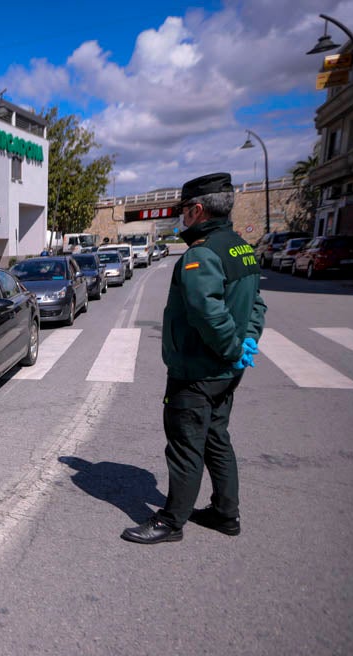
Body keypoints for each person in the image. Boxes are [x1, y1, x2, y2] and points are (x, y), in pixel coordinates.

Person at [121, 172, 266, 545]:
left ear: (198, 210)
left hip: (198, 370)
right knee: (216, 437)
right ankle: (224, 513)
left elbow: (207, 312)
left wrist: (233, 347)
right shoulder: (240, 247)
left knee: (185, 445)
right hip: (226, 370)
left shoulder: (202, 254)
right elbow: (257, 305)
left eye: (185, 209)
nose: (182, 215)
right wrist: (245, 344)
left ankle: (171, 522)